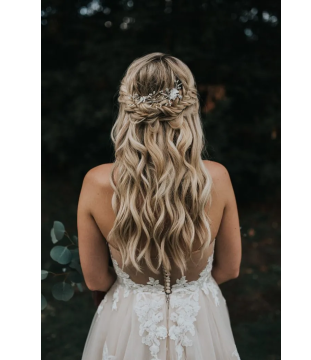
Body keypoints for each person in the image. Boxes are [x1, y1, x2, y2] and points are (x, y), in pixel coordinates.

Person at [78, 53, 242, 360]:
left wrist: (139, 289)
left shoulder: (97, 183)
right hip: (200, 319)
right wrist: (188, 291)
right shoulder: (216, 178)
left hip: (127, 321)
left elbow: (96, 280)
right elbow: (230, 268)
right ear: (189, 109)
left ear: (126, 108)